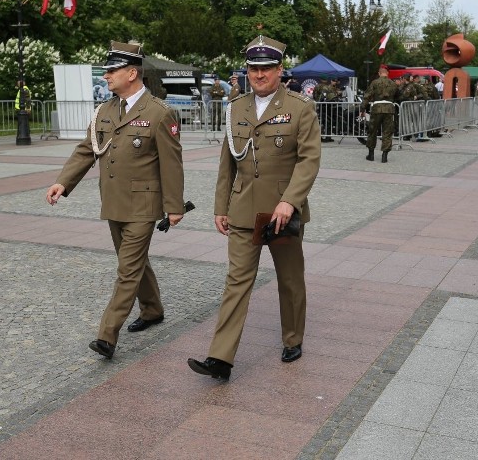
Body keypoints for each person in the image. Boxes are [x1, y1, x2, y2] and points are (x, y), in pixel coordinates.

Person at [187, 35, 321, 381]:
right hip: (244, 208)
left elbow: (309, 161)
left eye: (266, 69)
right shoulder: (237, 107)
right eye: (253, 68)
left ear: (280, 70)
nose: (258, 75)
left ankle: (293, 338)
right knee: (237, 281)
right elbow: (227, 163)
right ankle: (220, 358)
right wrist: (221, 206)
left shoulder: (300, 108)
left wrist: (290, 201)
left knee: (289, 280)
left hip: (282, 211)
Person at [45, 41, 185, 359]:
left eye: (112, 70)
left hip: (143, 206)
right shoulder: (106, 111)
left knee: (127, 269)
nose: (106, 75)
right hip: (113, 202)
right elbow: (86, 149)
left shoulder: (160, 113)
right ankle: (152, 309)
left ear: (132, 73)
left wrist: (174, 206)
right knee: (133, 261)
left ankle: (107, 335)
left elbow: (172, 163)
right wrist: (62, 183)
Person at [361, 65, 398, 162]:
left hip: (377, 109)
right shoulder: (393, 83)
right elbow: (398, 96)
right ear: (387, 72)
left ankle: (371, 154)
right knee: (387, 133)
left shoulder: (375, 82)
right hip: (389, 110)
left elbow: (367, 96)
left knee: (372, 131)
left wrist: (362, 109)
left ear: (379, 73)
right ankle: (384, 156)